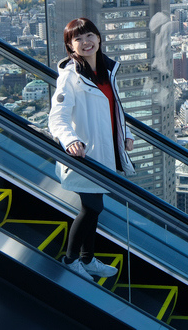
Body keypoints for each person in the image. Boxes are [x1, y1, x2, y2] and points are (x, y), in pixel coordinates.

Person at [48, 17, 136, 280]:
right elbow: (58, 116)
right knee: (91, 208)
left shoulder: (107, 71)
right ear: (70, 46)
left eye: (90, 36)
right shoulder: (70, 76)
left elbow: (114, 108)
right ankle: (72, 260)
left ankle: (87, 260)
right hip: (85, 155)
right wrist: (70, 139)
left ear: (99, 38)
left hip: (105, 152)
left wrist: (126, 134)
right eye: (78, 38)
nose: (85, 42)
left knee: (95, 208)